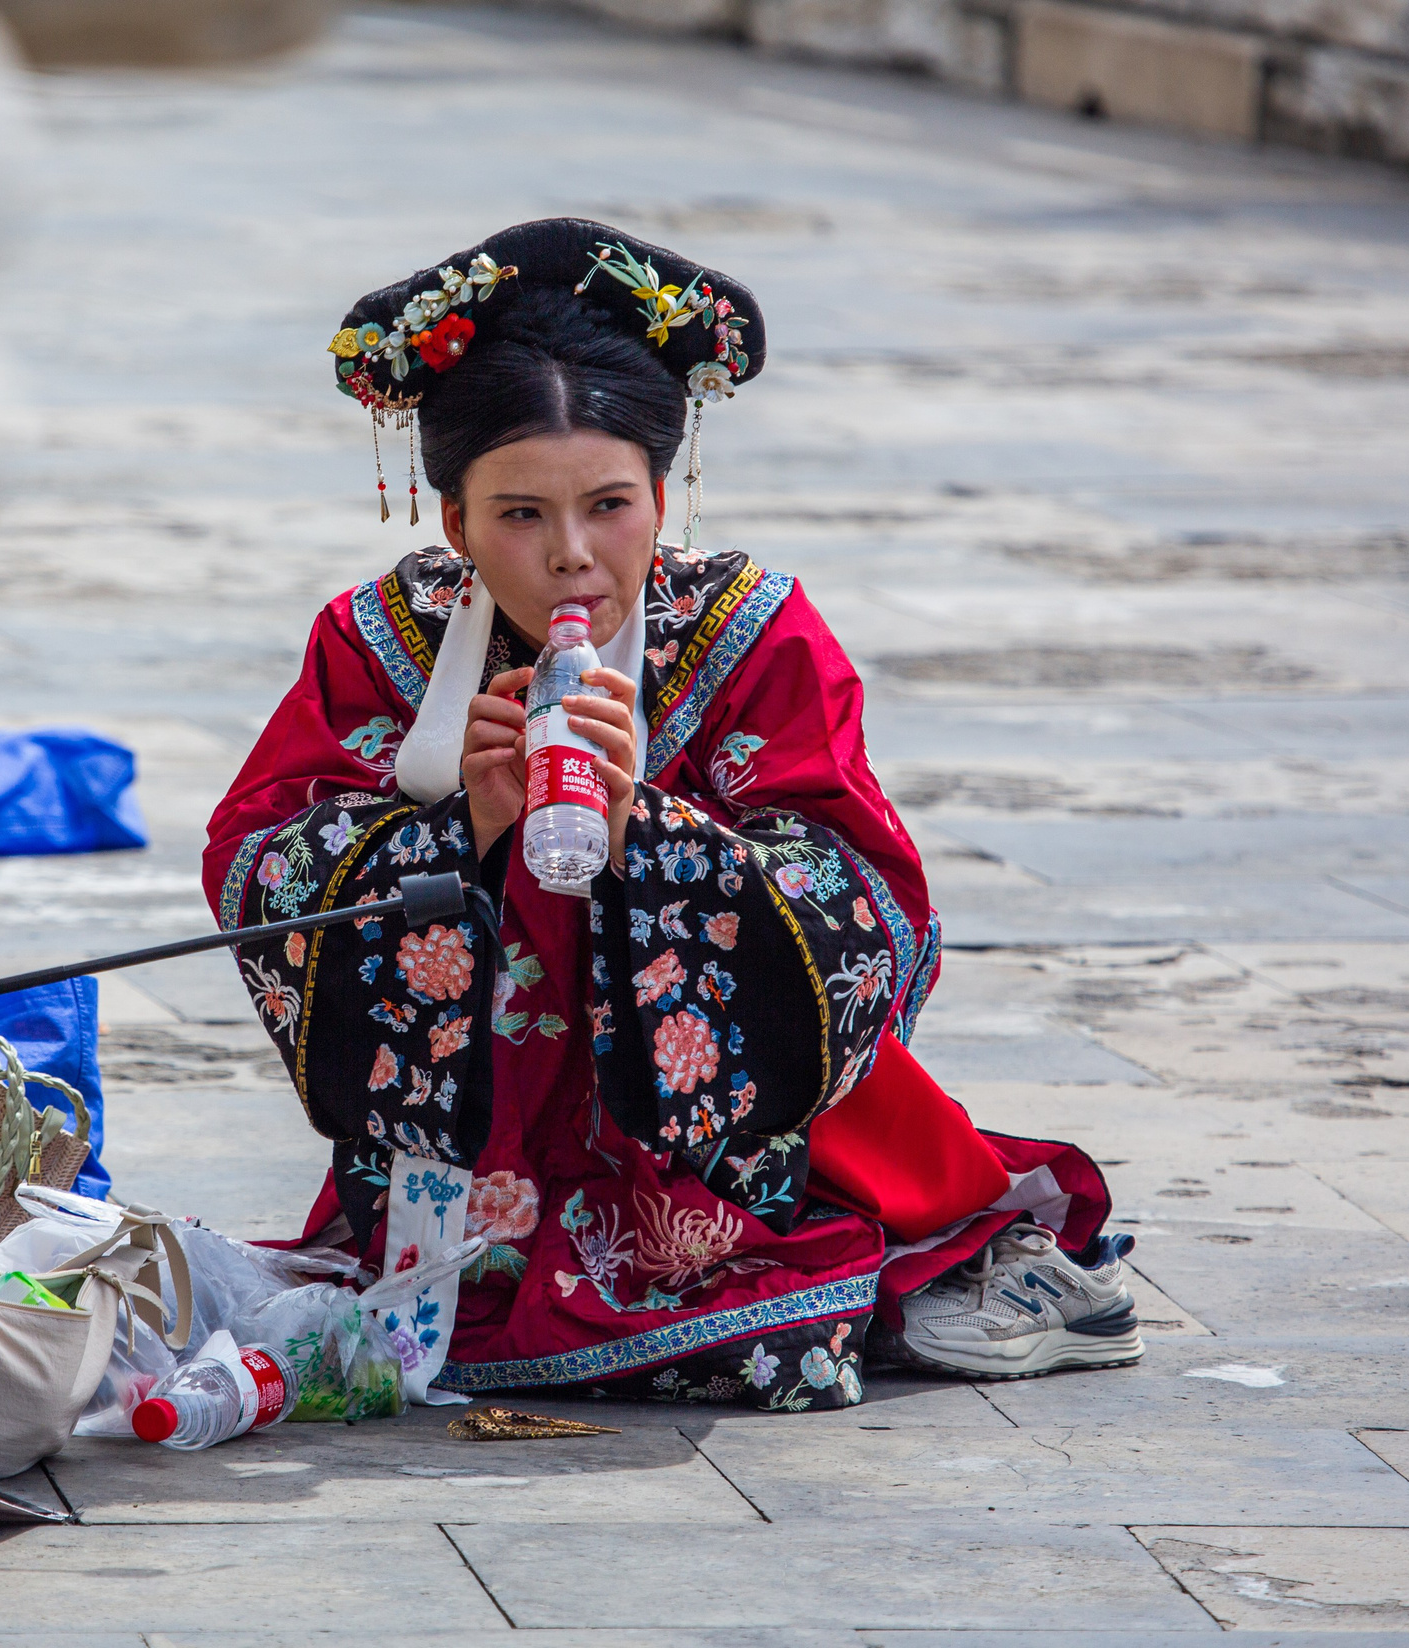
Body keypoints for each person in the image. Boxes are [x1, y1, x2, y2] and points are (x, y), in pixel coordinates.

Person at [200, 219, 1139, 1407]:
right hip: (489, 1111)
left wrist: (655, 832)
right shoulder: (379, 639)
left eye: (609, 506)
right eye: (519, 516)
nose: (572, 559)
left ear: (662, 493)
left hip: (710, 1117)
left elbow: (862, 899)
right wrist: (459, 834)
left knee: (764, 965)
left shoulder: (755, 629)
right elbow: (256, 867)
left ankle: (944, 1236)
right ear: (453, 522)